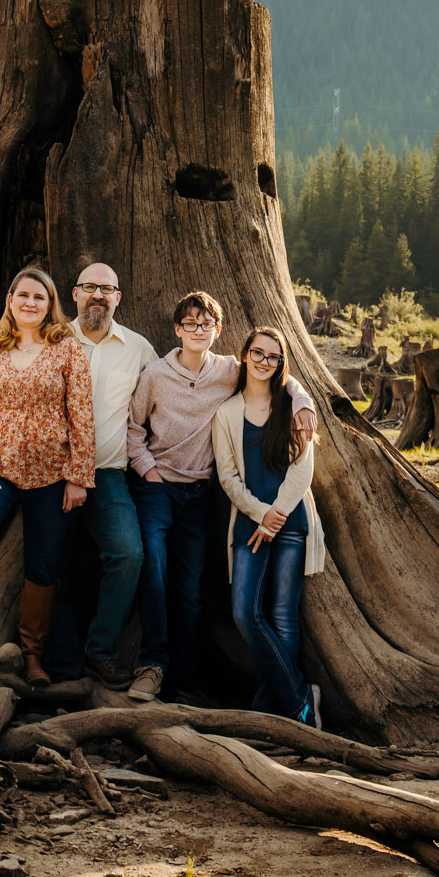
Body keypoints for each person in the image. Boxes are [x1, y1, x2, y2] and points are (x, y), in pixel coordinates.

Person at [125, 291, 315, 703]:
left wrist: (302, 401)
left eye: (205, 324)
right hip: (156, 488)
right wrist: (149, 471)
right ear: (177, 330)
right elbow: (133, 428)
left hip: (198, 493)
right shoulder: (155, 375)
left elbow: (278, 373)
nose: (198, 330)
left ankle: (185, 681)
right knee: (153, 570)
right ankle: (153, 665)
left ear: (218, 330)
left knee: (192, 588)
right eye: (190, 324)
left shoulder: (230, 369)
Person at [0, 260, 155, 689]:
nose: (98, 295)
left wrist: (294, 393)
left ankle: (100, 651)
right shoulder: (48, 338)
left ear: (118, 298)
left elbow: (174, 384)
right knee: (50, 561)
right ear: (73, 294)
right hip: (50, 473)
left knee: (128, 555)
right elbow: (0, 388)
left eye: (107, 289)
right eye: (89, 287)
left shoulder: (139, 349)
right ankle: (57, 661)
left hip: (107, 475)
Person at [0, 265, 94, 688]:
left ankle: (33, 653)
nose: (30, 303)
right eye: (23, 296)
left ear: (51, 307)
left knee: (45, 562)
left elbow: (81, 416)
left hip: (53, 474)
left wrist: (78, 475)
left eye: (40, 298)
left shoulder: (66, 350)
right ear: (10, 302)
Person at [213, 326, 325, 724]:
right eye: (258, 353)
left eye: (273, 357)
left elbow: (303, 466)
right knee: (246, 614)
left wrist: (276, 514)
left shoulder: (291, 408)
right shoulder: (225, 414)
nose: (264, 362)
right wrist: (261, 514)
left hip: (291, 524)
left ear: (281, 364)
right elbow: (227, 477)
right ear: (244, 355)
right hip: (248, 525)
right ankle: (298, 700)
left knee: (283, 615)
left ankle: (276, 710)